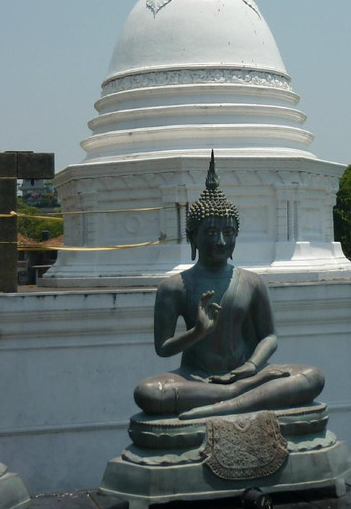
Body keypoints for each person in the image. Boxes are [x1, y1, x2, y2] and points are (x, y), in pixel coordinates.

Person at [133, 156, 324, 420]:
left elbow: (269, 336)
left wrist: (252, 366)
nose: (221, 241)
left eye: (228, 232)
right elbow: (163, 347)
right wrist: (198, 331)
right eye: (211, 233)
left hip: (250, 370)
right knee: (148, 392)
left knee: (311, 377)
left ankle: (236, 393)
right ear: (193, 238)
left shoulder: (252, 282)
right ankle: (240, 394)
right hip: (195, 378)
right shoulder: (174, 287)